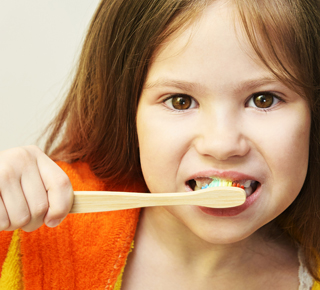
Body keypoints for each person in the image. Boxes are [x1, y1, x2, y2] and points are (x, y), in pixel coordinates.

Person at [0, 0, 319, 289]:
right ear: (127, 113)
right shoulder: (32, 230)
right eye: (181, 102)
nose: (222, 145)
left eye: (264, 100)